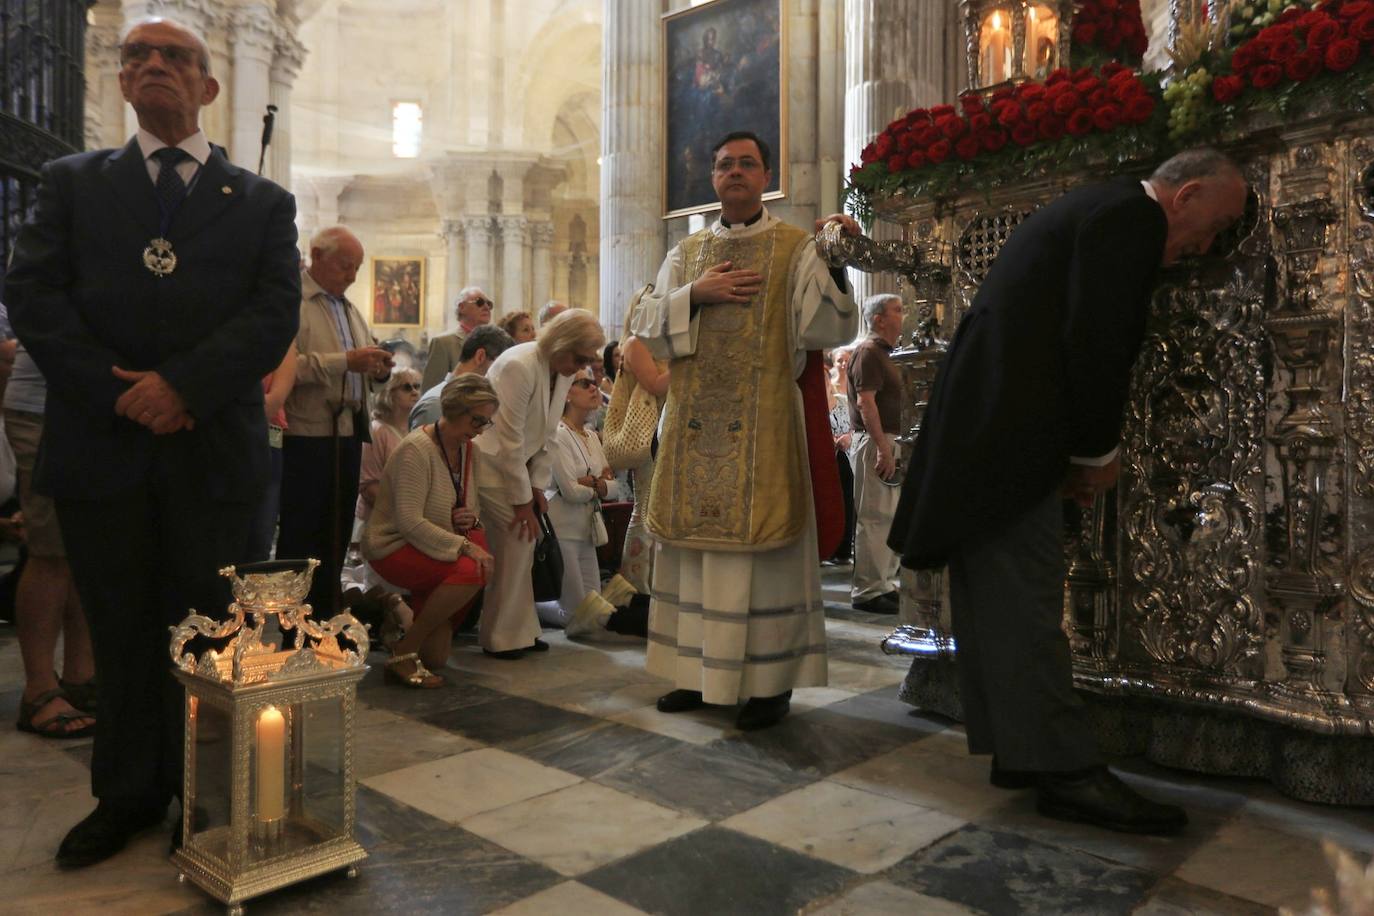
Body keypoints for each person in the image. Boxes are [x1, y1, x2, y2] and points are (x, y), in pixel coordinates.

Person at [4, 15, 300, 867]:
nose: (153, 66)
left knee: (208, 631)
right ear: (123, 81)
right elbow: (34, 295)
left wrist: (185, 388)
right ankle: (125, 795)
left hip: (211, 450)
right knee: (123, 631)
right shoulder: (73, 182)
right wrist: (119, 390)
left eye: (175, 56)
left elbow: (272, 312)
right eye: (137, 55)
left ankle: (204, 798)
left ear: (208, 88)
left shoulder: (262, 201)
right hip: (106, 442)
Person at [888, 148, 1248, 835]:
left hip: (986, 425)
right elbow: (1098, 338)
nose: (1210, 243)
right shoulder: (1134, 217)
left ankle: (1024, 753)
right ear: (1187, 192)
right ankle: (1066, 772)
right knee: (1024, 599)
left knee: (995, 600)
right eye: (1216, 222)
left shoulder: (1094, 203)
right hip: (1012, 434)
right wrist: (1096, 453)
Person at [629, 130, 859, 730]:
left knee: (764, 557)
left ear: (765, 177)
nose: (735, 172)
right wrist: (695, 295)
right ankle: (697, 675)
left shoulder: (794, 247)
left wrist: (834, 260)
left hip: (765, 426)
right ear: (712, 178)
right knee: (693, 554)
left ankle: (766, 684)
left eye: (747, 164)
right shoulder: (686, 252)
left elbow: (827, 327)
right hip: (693, 424)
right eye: (725, 164)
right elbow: (643, 323)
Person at [476, 309, 606, 659]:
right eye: (579, 358)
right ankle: (500, 636)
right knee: (515, 547)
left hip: (518, 468)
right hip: (491, 467)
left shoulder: (559, 370)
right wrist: (523, 502)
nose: (581, 367)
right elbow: (509, 440)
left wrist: (536, 489)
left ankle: (522, 630)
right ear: (561, 344)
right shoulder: (519, 365)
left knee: (524, 549)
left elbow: (547, 436)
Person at [279, 226, 393, 617]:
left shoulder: (349, 308)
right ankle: (296, 622)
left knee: (337, 531)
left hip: (346, 433)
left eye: (358, 267)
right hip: (307, 434)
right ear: (316, 255)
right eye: (346, 266)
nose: (353, 276)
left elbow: (361, 363)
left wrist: (377, 368)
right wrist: (345, 362)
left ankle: (326, 615)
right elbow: (284, 368)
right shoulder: (293, 303)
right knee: (303, 531)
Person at [0, 305, 97, 740]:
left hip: (91, 410)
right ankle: (39, 689)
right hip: (44, 408)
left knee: (85, 553)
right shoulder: (60, 237)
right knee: (51, 551)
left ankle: (80, 678)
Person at [363, 375, 498, 686]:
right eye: (477, 420)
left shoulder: (468, 451)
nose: (479, 430)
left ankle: (400, 615)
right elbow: (409, 523)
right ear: (453, 409)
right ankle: (404, 650)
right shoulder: (416, 449)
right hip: (394, 545)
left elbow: (472, 507)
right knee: (473, 567)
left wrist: (468, 518)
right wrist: (464, 546)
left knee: (436, 659)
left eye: (486, 423)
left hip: (433, 544)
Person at [542, 369, 626, 627]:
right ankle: (530, 607)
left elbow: (616, 488)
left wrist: (592, 483)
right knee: (575, 616)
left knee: (594, 612)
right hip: (564, 530)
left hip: (588, 531)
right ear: (567, 392)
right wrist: (598, 484)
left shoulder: (590, 435)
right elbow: (570, 491)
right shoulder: (556, 433)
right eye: (586, 384)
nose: (595, 388)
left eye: (595, 383)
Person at [847, 294, 905, 612]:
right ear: (878, 318)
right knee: (875, 515)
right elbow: (865, 402)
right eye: (897, 310)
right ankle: (868, 590)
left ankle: (884, 582)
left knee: (890, 516)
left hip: (889, 440)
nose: (903, 315)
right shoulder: (869, 351)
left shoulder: (888, 353)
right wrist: (883, 447)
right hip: (875, 441)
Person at [246, 341, 297, 561]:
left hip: (269, 441)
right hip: (223, 440)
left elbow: (275, 399)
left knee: (259, 538)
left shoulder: (280, 333)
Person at [410, 325, 514, 429]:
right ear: (480, 357)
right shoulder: (435, 405)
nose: (504, 375)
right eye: (501, 366)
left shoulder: (476, 403)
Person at [421, 286, 494, 391]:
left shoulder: (493, 343)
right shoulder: (443, 343)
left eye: (489, 304)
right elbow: (430, 389)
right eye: (480, 302)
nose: (486, 307)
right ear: (462, 307)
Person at [825, 347, 855, 566]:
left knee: (847, 496)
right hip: (827, 454)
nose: (843, 365)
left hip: (845, 453)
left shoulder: (846, 398)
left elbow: (855, 422)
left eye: (847, 360)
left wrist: (847, 437)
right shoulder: (821, 402)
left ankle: (844, 547)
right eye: (839, 361)